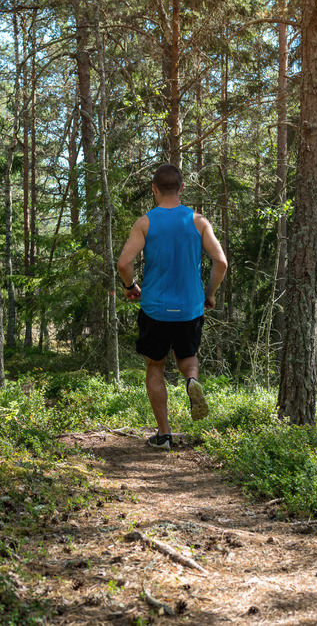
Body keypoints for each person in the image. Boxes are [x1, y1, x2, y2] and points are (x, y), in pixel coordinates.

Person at [116, 164, 228, 450]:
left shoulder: (145, 222)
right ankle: (191, 380)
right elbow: (221, 262)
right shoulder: (198, 221)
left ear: (154, 189)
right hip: (190, 307)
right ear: (180, 189)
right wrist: (209, 293)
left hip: (155, 308)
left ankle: (164, 434)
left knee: (155, 366)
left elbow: (124, 263)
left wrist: (131, 287)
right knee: (188, 358)